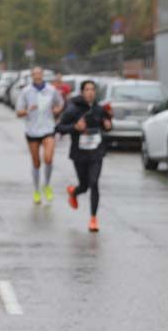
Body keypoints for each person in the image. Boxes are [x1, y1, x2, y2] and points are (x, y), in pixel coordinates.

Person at [56, 80, 111, 232]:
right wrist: (75, 127)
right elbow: (59, 128)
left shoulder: (100, 109)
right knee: (85, 186)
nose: (90, 92)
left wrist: (108, 125)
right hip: (79, 154)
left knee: (94, 183)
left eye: (92, 89)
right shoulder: (73, 110)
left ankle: (93, 219)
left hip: (96, 152)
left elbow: (107, 124)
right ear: (82, 92)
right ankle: (74, 192)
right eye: (87, 89)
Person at [15, 66, 64, 204]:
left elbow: (60, 103)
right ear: (32, 76)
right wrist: (27, 111)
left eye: (39, 74)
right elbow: (18, 112)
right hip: (32, 130)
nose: (37, 76)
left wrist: (56, 110)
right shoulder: (26, 92)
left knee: (48, 158)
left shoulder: (51, 90)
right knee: (36, 162)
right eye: (35, 74)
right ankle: (36, 190)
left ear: (42, 75)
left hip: (48, 128)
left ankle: (47, 185)